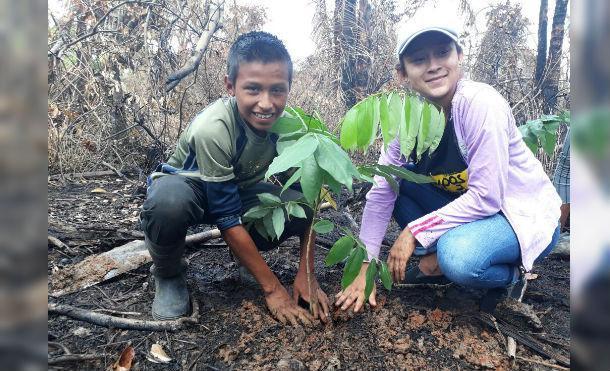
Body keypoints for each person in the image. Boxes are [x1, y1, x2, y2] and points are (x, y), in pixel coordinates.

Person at [336, 21, 562, 313]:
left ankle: (511, 275)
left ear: (459, 56)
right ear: (402, 73)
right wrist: (364, 267)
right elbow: (382, 192)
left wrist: (414, 231)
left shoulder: (480, 104)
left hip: (519, 215)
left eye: (442, 53)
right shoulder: (406, 119)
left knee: (458, 258)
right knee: (396, 184)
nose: (433, 66)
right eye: (419, 59)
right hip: (470, 211)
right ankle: (438, 261)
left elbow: (487, 196)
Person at [140, 31, 330, 325]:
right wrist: (273, 289)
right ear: (231, 86)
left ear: (289, 87)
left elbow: (312, 198)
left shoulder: (293, 126)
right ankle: (168, 273)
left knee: (299, 205)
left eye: (277, 90)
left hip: (236, 190)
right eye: (253, 89)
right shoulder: (214, 128)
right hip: (190, 189)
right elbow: (225, 217)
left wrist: (307, 272)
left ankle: (246, 260)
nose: (266, 103)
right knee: (168, 203)